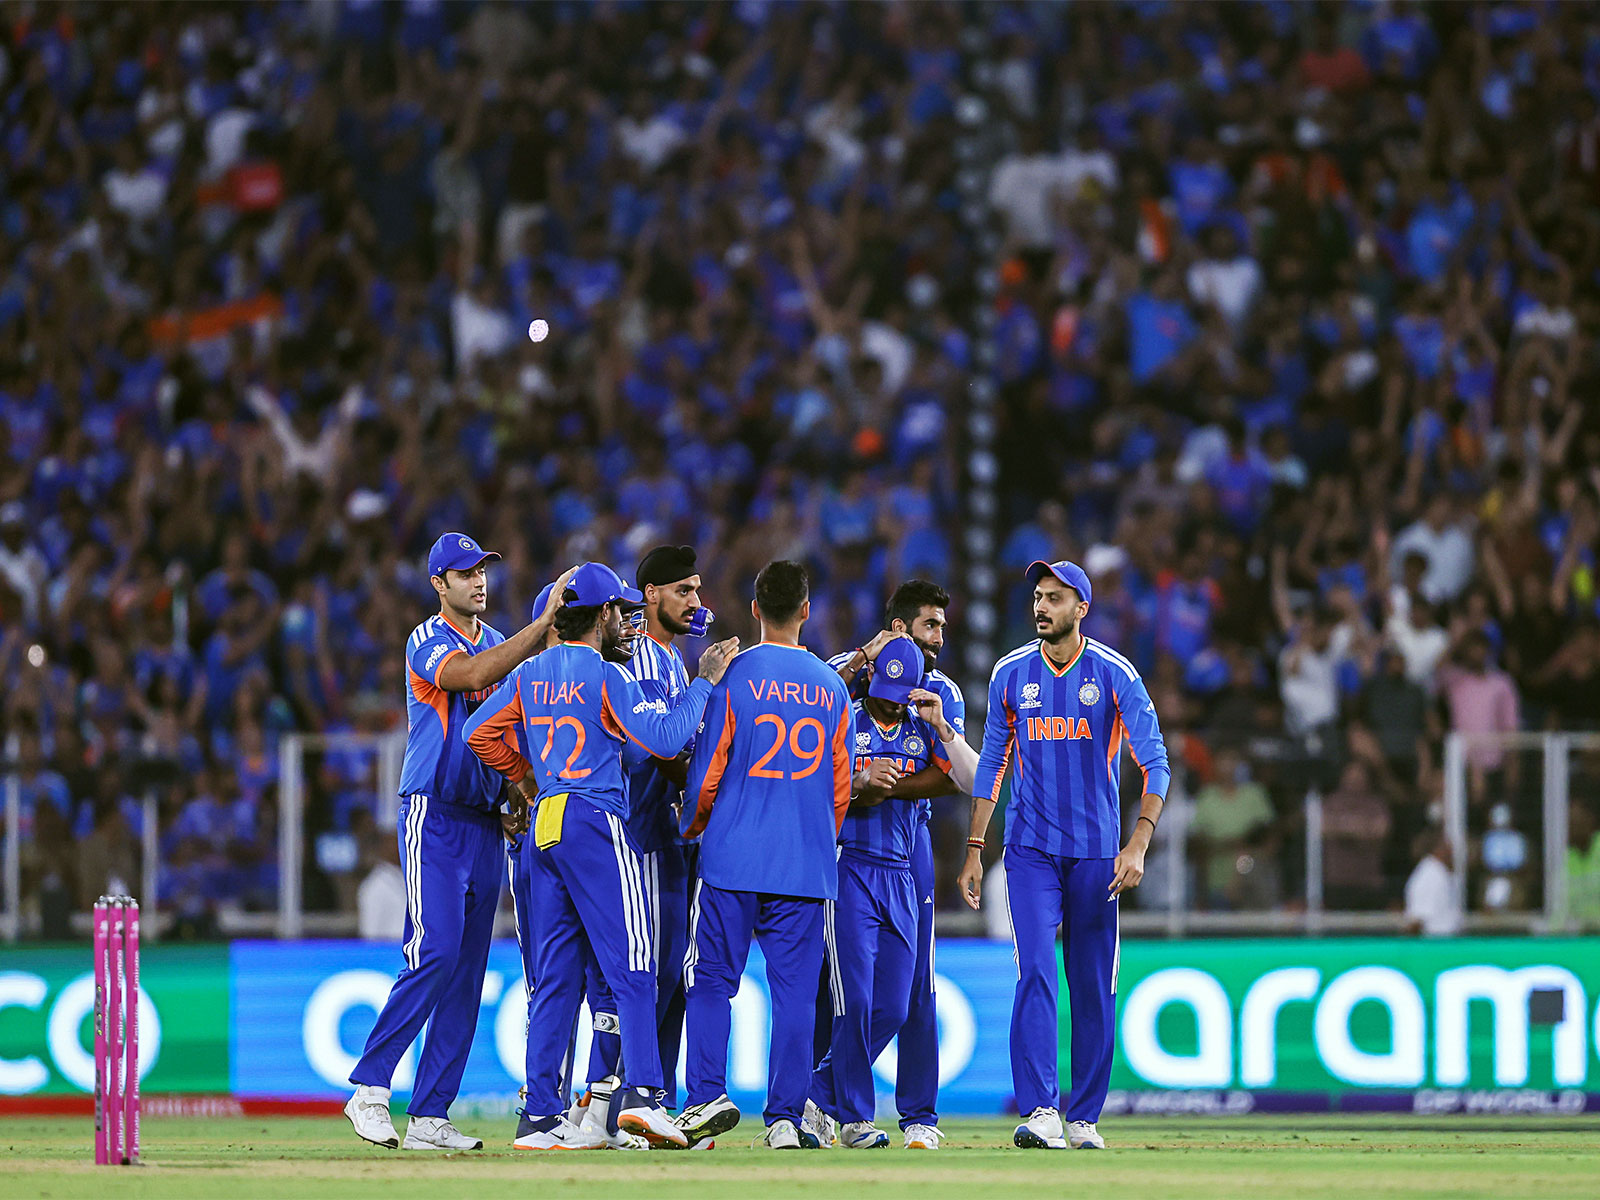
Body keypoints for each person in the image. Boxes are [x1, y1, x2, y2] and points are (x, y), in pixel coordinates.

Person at [464, 561, 738, 1150]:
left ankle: (540, 1116)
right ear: (604, 614)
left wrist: (530, 777)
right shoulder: (608, 675)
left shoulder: (532, 673)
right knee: (634, 965)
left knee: (557, 978)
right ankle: (643, 1097)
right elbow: (665, 740)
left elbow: (478, 733)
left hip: (547, 823)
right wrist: (707, 681)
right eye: (621, 610)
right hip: (595, 818)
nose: (626, 621)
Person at [343, 536, 573, 1153]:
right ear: (438, 584)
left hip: (483, 819)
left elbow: (504, 726)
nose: (478, 581)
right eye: (464, 573)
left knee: (468, 972)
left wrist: (514, 792)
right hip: (432, 813)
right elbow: (471, 677)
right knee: (436, 951)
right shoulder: (428, 639)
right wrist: (541, 628)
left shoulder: (499, 645)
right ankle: (368, 1087)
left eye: (483, 571)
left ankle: (429, 1116)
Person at [960, 560, 1171, 1152]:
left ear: (1082, 608)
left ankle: (1084, 1119)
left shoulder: (1113, 674)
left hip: (1097, 856)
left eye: (1055, 597)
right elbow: (992, 766)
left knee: (1092, 985)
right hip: (1028, 852)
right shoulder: (1010, 674)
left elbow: (1156, 764)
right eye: (1037, 596)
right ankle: (1041, 1110)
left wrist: (1138, 844)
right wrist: (976, 847)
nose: (1041, 605)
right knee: (1035, 970)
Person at [674, 561, 853, 1150]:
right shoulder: (831, 687)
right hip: (803, 865)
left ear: (754, 609)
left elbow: (709, 769)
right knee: (797, 997)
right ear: (806, 611)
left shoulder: (732, 673)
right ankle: (784, 1119)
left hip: (731, 858)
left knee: (711, 984)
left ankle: (704, 1100)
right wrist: (818, 839)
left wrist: (694, 826)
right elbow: (840, 786)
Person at [808, 636, 976, 1149]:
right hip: (850, 869)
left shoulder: (923, 723)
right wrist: (859, 782)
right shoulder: (844, 716)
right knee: (853, 1000)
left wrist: (943, 726)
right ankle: (857, 1118)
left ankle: (817, 1093)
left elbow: (971, 779)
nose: (887, 700)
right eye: (880, 688)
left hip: (902, 873)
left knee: (896, 1007)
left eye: (896, 693)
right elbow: (808, 781)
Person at [1403, 828, 1463, 936]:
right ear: (1438, 848)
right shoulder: (1428, 876)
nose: (1451, 850)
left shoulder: (1440, 872)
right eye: (1447, 845)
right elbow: (1417, 919)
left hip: (1448, 943)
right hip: (1434, 945)